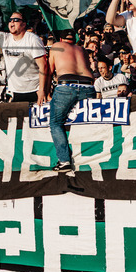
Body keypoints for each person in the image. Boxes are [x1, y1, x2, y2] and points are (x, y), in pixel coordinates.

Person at [46, 29, 95, 172]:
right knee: (87, 121)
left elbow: (49, 71)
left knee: (55, 123)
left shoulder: (56, 46)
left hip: (67, 85)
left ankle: (64, 160)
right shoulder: (82, 50)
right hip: (88, 86)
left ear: (61, 39)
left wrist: (45, 91)